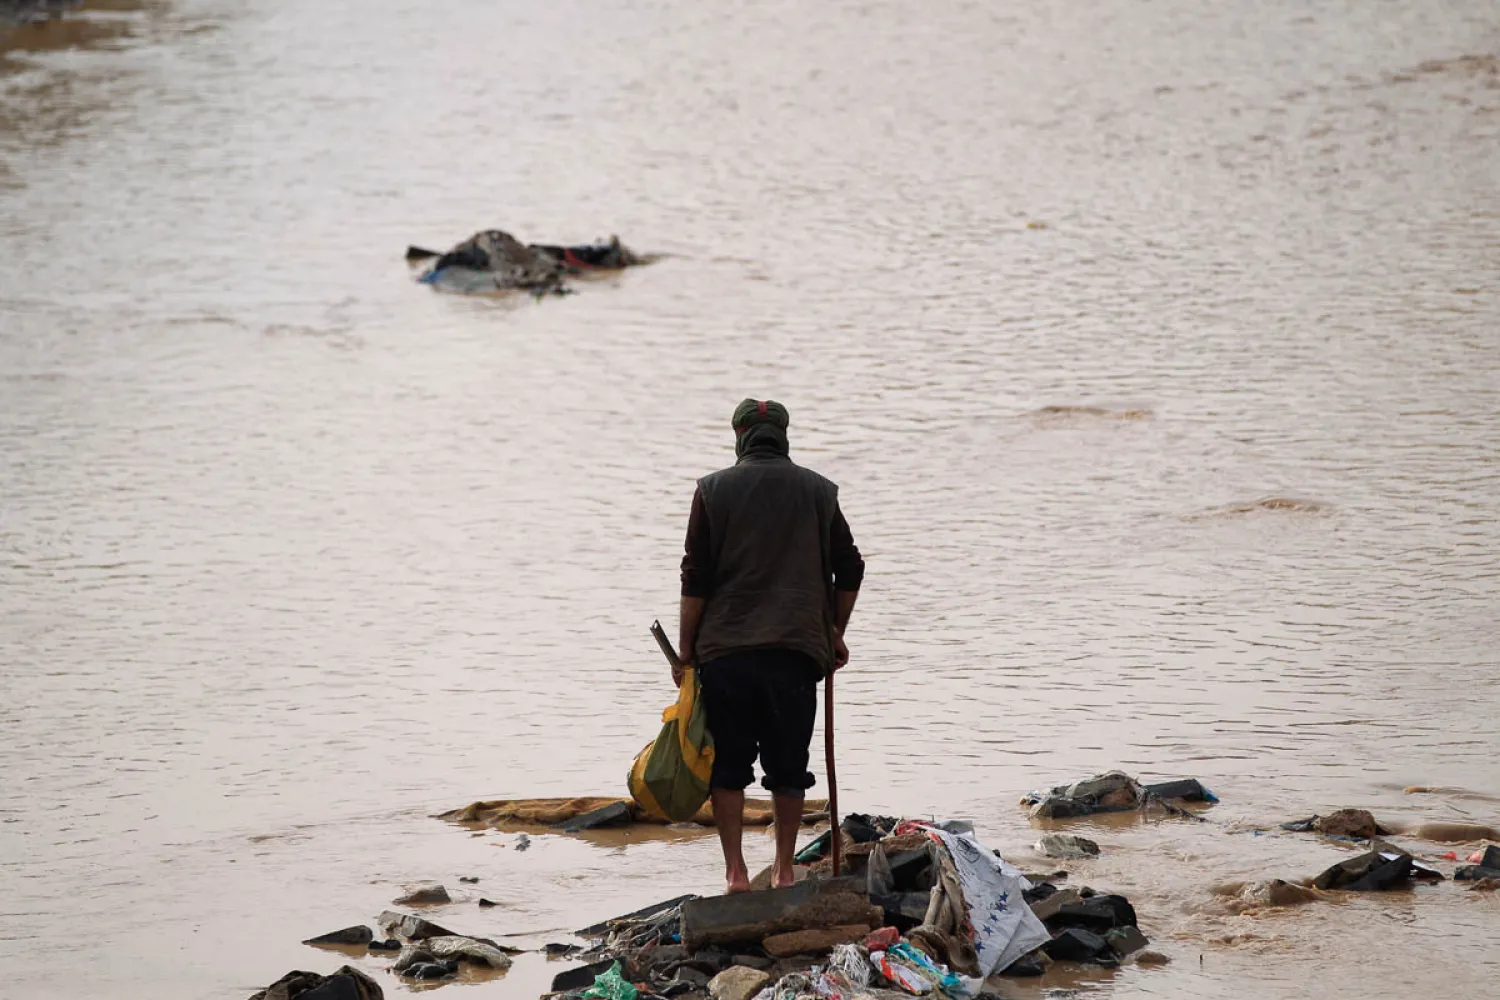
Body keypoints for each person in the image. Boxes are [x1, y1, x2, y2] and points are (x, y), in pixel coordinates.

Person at [677, 399, 865, 893]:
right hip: (794, 653)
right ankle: (784, 873)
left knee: (729, 766)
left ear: (740, 436)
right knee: (789, 766)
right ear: (782, 436)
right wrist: (834, 631)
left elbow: (694, 578)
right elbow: (851, 568)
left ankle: (736, 875)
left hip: (726, 654)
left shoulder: (712, 490)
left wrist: (685, 652)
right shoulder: (818, 491)